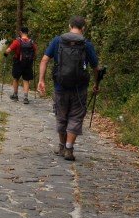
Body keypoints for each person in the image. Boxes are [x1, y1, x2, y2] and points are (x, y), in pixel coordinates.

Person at [36, 15, 100, 161]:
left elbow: (44, 60)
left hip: (60, 86)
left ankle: (61, 145)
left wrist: (41, 80)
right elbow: (96, 67)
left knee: (61, 115)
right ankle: (69, 149)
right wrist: (96, 84)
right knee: (76, 117)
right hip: (80, 88)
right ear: (83, 28)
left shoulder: (58, 41)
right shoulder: (86, 44)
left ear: (70, 25)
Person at [3, 26, 37, 103]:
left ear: (20, 32)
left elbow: (8, 50)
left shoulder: (17, 41)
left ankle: (15, 95)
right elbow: (35, 52)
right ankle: (25, 98)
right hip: (28, 63)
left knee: (16, 78)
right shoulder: (32, 42)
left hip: (18, 62)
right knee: (26, 80)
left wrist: (5, 54)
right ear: (27, 33)